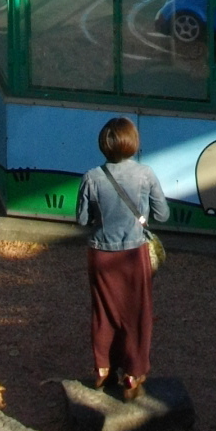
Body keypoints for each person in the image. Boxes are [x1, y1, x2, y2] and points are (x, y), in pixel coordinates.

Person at [76, 116, 168, 401]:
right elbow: (163, 214)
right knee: (137, 315)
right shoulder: (146, 174)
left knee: (103, 313)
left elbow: (81, 220)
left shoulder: (92, 176)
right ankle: (132, 374)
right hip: (133, 255)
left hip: (101, 254)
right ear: (133, 143)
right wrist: (141, 218)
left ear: (103, 144)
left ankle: (103, 367)